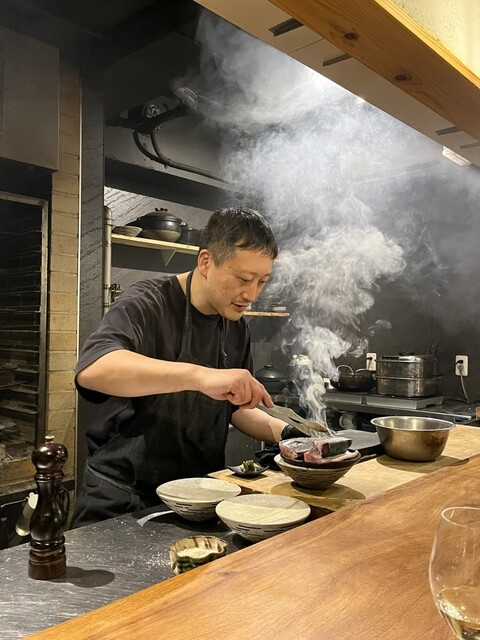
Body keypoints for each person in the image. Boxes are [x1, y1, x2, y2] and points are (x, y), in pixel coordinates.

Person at [72, 206, 293, 527]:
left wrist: (286, 434)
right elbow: (94, 369)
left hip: (198, 496)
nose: (251, 294)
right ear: (205, 262)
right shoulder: (148, 302)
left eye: (262, 281)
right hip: (123, 498)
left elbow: (235, 409)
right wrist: (199, 376)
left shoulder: (236, 327)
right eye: (243, 279)